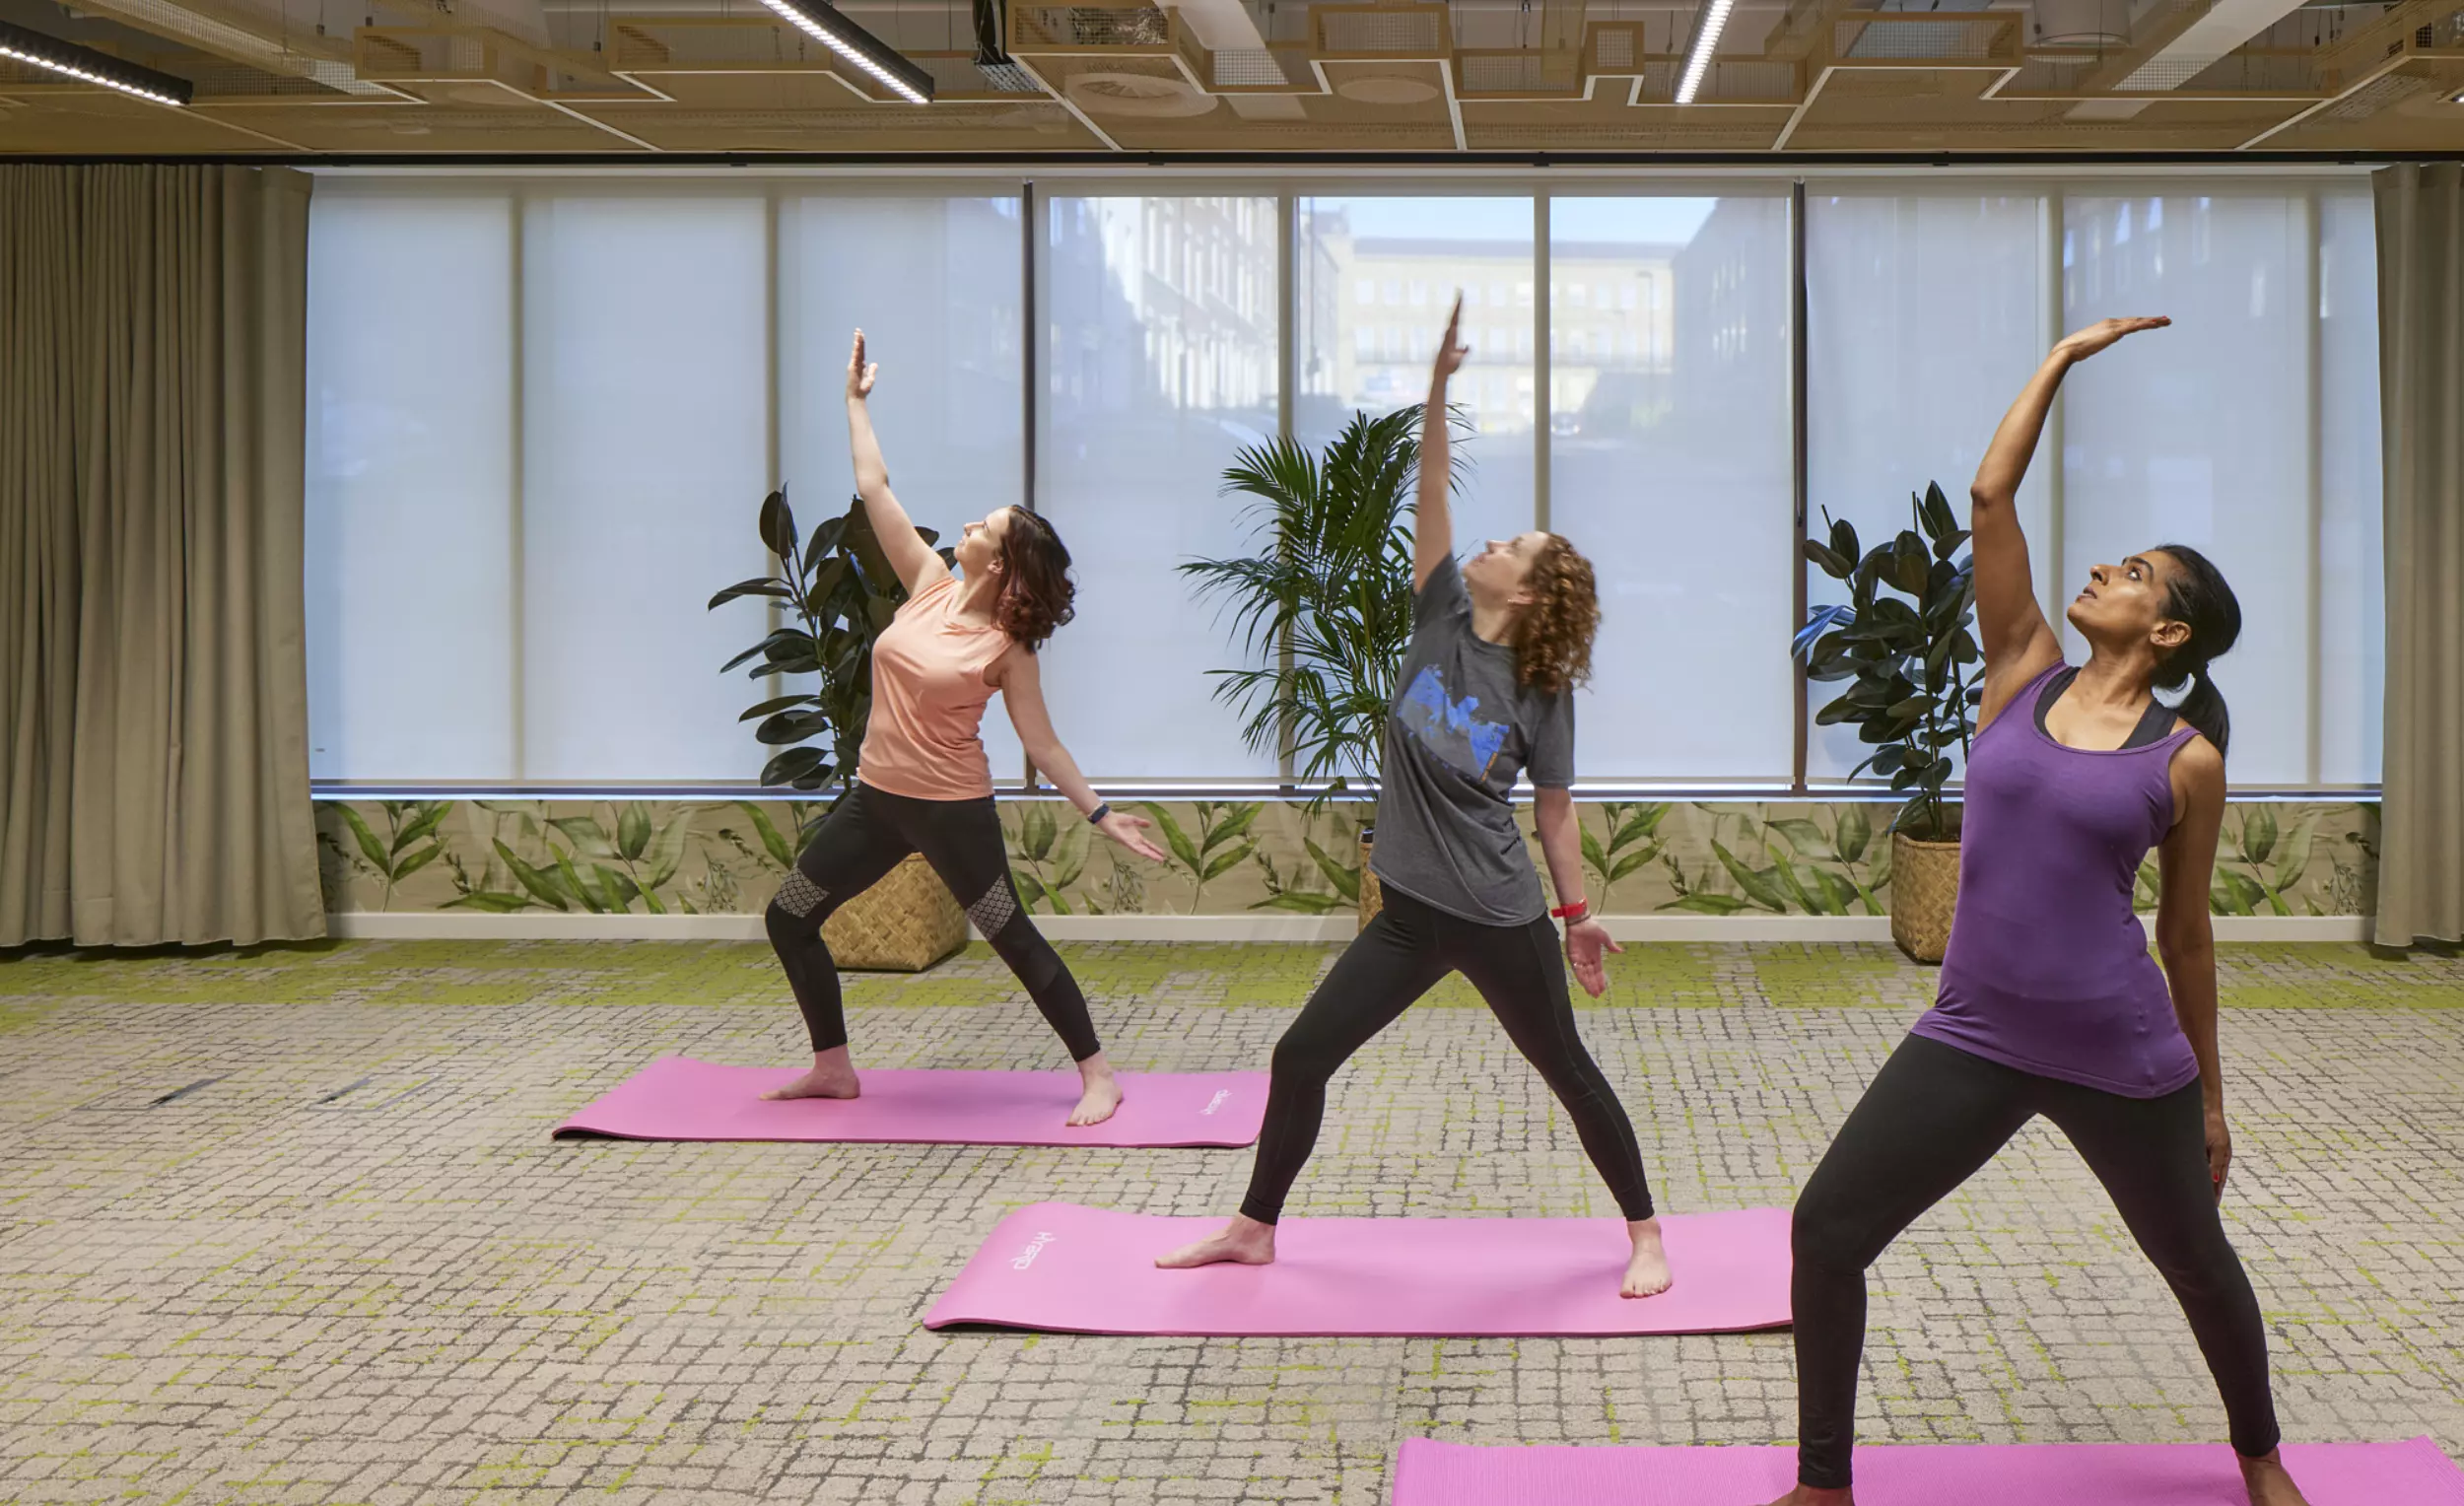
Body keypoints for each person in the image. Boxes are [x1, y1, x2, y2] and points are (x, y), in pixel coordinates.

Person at [1759, 317, 2309, 1506]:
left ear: (2165, 633)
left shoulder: (2185, 759)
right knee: (1825, 1229)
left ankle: (2260, 1455)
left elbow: (2186, 934)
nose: (2105, 571)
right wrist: (2059, 358)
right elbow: (1988, 495)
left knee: (2196, 1265)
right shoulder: (2021, 668)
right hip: (1971, 1035)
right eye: (2114, 560)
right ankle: (1822, 1485)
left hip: (2118, 1050)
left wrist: (2211, 1093)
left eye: (2134, 574)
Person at [1158, 297, 1672, 1298]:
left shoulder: (1538, 691)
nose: (1486, 544)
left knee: (1566, 1070)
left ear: (1523, 593)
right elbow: (1429, 482)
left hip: (1493, 912)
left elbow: (1554, 812)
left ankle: (1646, 1232)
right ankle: (1254, 1225)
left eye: (1508, 547)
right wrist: (1436, 385)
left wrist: (1574, 919)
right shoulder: (1438, 612)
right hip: (1405, 911)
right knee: (1301, 1052)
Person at [761, 330, 1168, 1128]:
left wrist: (1099, 813)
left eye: (983, 527)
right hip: (875, 801)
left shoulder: (1005, 649)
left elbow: (1041, 744)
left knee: (1009, 935)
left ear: (1002, 564)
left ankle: (1098, 1075)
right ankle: (833, 1067)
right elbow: (875, 486)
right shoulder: (927, 583)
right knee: (790, 915)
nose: (968, 529)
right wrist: (854, 403)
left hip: (951, 812)